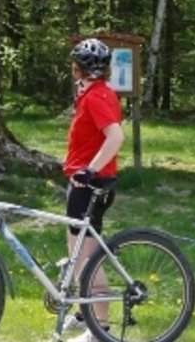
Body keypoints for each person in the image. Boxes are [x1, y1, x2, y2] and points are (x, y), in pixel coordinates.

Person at [63, 36, 123, 342]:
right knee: (75, 251)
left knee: (87, 258)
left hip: (90, 184)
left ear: (76, 69)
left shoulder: (97, 97)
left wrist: (90, 170)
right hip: (82, 182)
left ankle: (100, 329)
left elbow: (115, 137)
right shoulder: (96, 93)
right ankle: (83, 311)